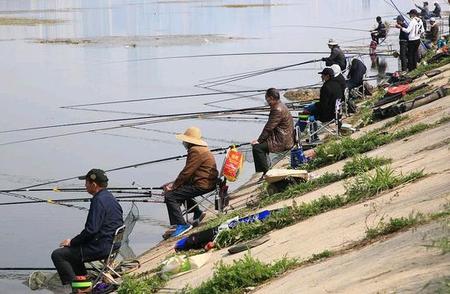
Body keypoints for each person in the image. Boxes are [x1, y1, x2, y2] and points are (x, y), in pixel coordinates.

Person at [51, 169, 124, 286]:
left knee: (58, 254)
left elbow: (91, 230)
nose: (85, 186)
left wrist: (72, 242)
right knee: (73, 251)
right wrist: (75, 243)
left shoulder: (98, 201)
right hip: (113, 245)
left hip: (102, 247)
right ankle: (84, 282)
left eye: (86, 183)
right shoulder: (111, 198)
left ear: (94, 185)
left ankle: (79, 289)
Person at [163, 126, 218, 237]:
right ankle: (197, 212)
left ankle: (182, 225)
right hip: (209, 182)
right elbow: (189, 173)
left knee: (170, 196)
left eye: (185, 140)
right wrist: (174, 183)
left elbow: (187, 172)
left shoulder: (195, 151)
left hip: (203, 184)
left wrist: (173, 186)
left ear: (189, 141)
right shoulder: (201, 149)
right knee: (180, 188)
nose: (183, 142)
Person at [251, 88, 294, 179]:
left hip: (283, 141)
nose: (266, 101)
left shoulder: (277, 110)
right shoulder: (281, 105)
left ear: (271, 98)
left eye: (267, 98)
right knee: (261, 145)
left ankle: (267, 173)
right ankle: (266, 168)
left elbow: (268, 128)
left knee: (257, 148)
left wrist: (259, 140)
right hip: (285, 137)